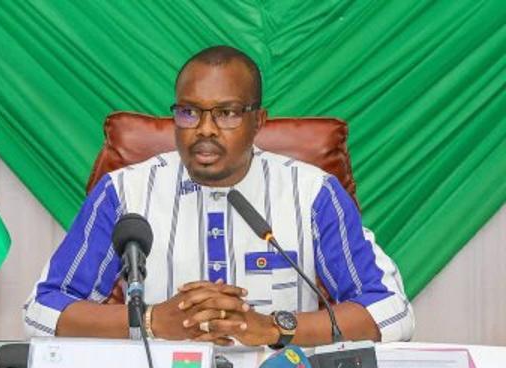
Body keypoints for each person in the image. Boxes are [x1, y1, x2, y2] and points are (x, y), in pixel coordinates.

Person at [23, 46, 414, 347]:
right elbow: (42, 311)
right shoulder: (124, 192)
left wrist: (273, 327)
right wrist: (151, 320)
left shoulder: (313, 193)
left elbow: (391, 311)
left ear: (258, 121)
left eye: (227, 113)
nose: (204, 129)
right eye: (189, 112)